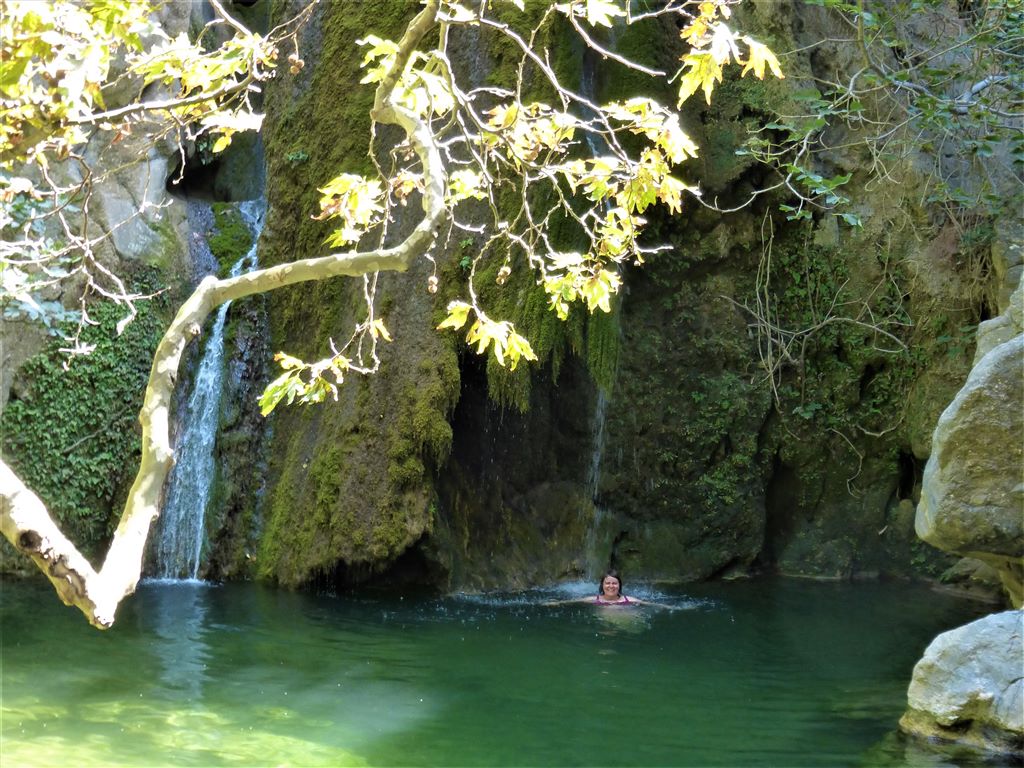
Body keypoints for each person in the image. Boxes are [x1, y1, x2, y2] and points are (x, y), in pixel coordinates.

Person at [548, 569, 673, 608]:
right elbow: (573, 601)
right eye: (608, 583)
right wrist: (556, 603)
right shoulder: (594, 599)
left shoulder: (628, 600)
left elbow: (650, 604)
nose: (611, 586)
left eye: (614, 583)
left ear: (619, 586)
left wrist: (670, 607)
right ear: (602, 585)